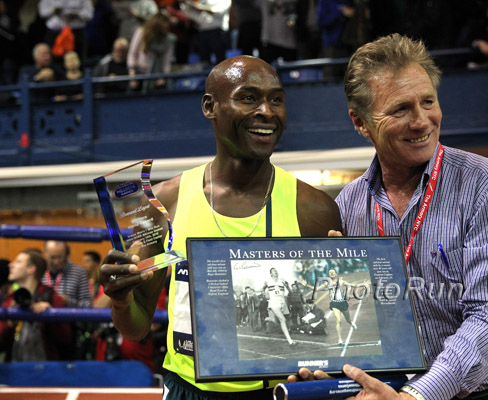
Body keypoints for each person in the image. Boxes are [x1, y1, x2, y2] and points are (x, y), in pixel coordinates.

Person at [290, 34, 488, 400]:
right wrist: (328, 370)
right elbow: (354, 315)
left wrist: (417, 396)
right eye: (401, 109)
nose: (422, 121)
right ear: (360, 122)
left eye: (428, 102)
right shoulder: (349, 204)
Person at [98, 55, 342, 398]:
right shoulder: (160, 203)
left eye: (276, 99)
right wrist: (121, 301)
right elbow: (136, 328)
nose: (266, 111)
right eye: (248, 97)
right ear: (210, 107)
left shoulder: (316, 209)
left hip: (279, 392)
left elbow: (335, 328)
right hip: (187, 389)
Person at [0, 249, 72, 362]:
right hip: (14, 370)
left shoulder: (52, 298)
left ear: (31, 269)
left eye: (18, 261)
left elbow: (65, 339)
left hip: (45, 371)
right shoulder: (10, 300)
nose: (11, 265)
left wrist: (49, 316)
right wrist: (9, 323)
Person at [301, 268, 358, 345]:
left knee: (348, 320)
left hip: (343, 303)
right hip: (334, 303)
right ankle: (340, 339)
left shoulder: (341, 281)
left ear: (336, 274)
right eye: (330, 272)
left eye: (333, 272)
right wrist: (307, 285)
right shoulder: (327, 283)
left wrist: (363, 285)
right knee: (338, 320)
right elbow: (317, 289)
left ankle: (351, 323)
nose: (331, 273)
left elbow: (353, 285)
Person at [127, 11, 176, 92]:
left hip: (157, 75)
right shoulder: (141, 33)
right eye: (164, 22)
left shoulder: (169, 39)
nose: (166, 25)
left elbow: (166, 62)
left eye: (167, 22)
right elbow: (132, 54)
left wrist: (163, 77)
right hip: (139, 74)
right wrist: (132, 76)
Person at [263, 267, 296, 346]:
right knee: (283, 320)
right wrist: (265, 294)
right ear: (271, 274)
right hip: (273, 302)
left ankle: (269, 318)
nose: (276, 272)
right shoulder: (267, 281)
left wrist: (287, 285)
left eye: (276, 271)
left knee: (279, 320)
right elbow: (262, 289)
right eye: (274, 271)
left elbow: (290, 291)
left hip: (282, 302)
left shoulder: (282, 280)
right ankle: (290, 341)